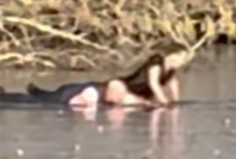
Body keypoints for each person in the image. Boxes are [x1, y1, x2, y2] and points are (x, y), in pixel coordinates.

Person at [17, 43, 194, 110]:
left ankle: (40, 93)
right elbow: (155, 85)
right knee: (66, 94)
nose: (181, 61)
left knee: (73, 94)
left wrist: (175, 104)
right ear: (170, 56)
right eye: (179, 57)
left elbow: (173, 86)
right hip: (120, 88)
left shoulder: (171, 70)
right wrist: (164, 103)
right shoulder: (156, 64)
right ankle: (37, 93)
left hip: (131, 96)